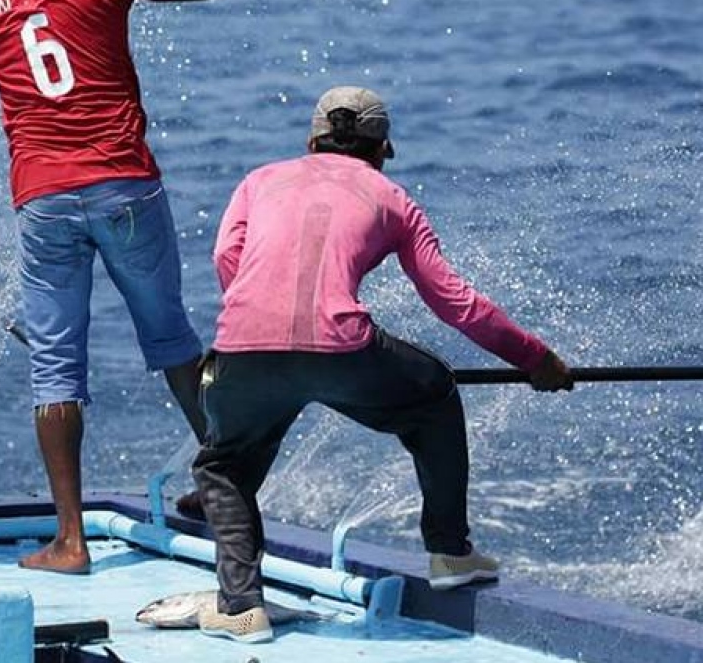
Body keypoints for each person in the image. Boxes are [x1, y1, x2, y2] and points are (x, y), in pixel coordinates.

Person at [0, 0, 246, 574]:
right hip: (123, 185)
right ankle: (231, 493)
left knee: (56, 367)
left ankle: (70, 539)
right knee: (173, 339)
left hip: (43, 198)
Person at [191, 86, 574, 644]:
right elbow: (454, 302)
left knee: (223, 466)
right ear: (381, 150)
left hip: (242, 348)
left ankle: (241, 608)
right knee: (435, 395)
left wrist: (265, 331)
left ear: (311, 141)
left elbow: (227, 256)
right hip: (345, 353)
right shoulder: (393, 198)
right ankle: (450, 553)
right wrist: (535, 359)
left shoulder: (258, 181)